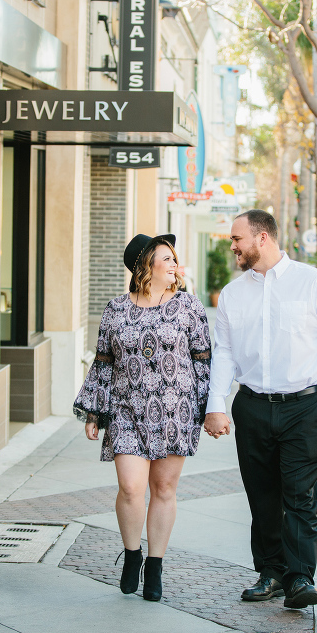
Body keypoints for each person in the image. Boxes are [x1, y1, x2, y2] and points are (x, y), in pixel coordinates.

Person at [204, 209, 317, 609]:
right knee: (262, 496)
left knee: (299, 495)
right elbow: (224, 355)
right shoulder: (234, 294)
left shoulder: (312, 283)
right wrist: (215, 405)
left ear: (262, 238)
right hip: (251, 407)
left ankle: (300, 577)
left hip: (304, 407)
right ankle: (270, 572)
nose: (232, 246)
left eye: (237, 239)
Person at [73, 233, 211, 602]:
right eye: (165, 258)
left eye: (174, 258)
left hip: (174, 412)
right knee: (131, 488)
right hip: (126, 410)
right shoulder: (115, 308)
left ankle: (155, 564)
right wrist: (94, 411)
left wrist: (209, 410)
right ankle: (132, 554)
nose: (173, 264)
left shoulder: (189, 307)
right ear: (144, 266)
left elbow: (203, 362)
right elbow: (103, 361)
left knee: (164, 489)